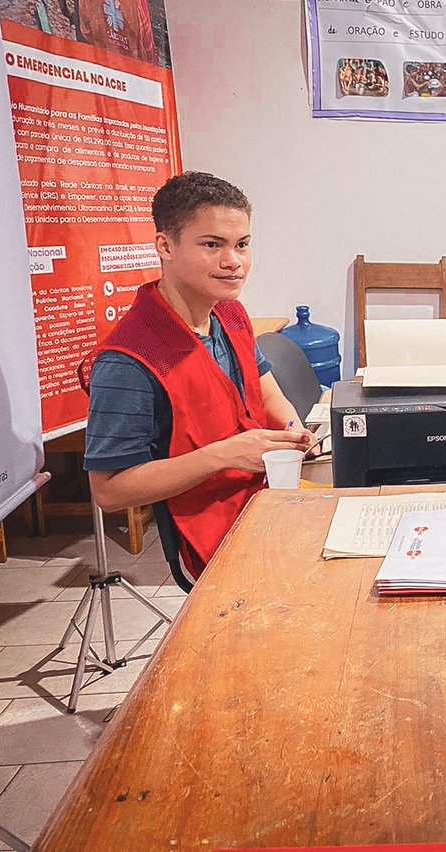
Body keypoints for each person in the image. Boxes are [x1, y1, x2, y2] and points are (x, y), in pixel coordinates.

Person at [83, 172, 313, 591]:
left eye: (242, 244)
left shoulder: (229, 312)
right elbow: (110, 492)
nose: (234, 261)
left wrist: (293, 429)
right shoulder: (127, 360)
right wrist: (223, 455)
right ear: (165, 246)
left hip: (267, 501)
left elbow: (263, 385)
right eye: (213, 245)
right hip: (215, 537)